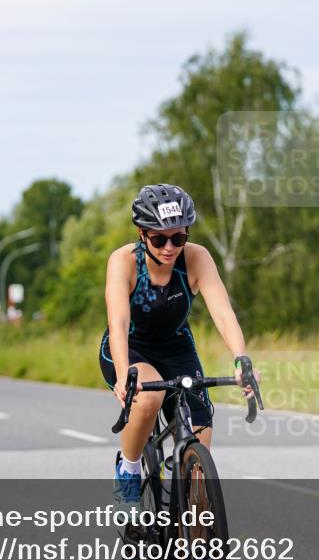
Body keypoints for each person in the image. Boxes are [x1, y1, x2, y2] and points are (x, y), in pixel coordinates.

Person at [99, 184, 259, 509]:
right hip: (131, 348)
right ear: (142, 234)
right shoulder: (125, 262)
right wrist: (122, 374)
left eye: (179, 237)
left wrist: (242, 359)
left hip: (176, 348)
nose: (170, 247)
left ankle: (197, 552)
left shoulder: (197, 258)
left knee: (199, 457)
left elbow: (224, 315)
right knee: (149, 399)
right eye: (159, 239)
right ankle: (129, 470)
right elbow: (117, 323)